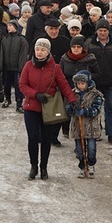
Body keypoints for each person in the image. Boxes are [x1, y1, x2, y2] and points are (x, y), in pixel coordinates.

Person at [19, 38, 77, 180]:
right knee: (33, 138)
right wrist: (35, 94)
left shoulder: (55, 68)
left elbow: (64, 85)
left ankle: (44, 167)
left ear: (48, 52)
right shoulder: (28, 65)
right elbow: (22, 84)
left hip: (49, 109)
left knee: (46, 139)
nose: (39, 52)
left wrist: (72, 99)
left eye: (43, 50)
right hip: (31, 107)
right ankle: (33, 166)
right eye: (38, 49)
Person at [85, 19, 112, 144]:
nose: (102, 33)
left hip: (111, 82)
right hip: (94, 83)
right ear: (96, 31)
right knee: (94, 108)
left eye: (105, 30)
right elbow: (84, 61)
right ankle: (96, 132)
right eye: (100, 30)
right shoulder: (89, 44)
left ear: (108, 31)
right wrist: (89, 76)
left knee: (111, 108)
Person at [65, 70, 104, 178]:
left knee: (91, 149)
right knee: (79, 149)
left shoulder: (96, 95)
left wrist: (85, 111)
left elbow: (97, 109)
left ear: (88, 83)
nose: (80, 86)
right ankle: (83, 166)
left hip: (91, 127)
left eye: (83, 83)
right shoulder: (72, 94)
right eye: (78, 84)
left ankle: (91, 164)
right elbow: (67, 107)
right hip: (78, 127)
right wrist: (72, 109)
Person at [0, 21, 29, 110]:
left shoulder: (21, 40)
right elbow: (1, 54)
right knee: (6, 85)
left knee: (18, 87)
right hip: (7, 68)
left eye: (10, 26)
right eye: (7, 26)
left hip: (17, 68)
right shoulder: (5, 39)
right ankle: (7, 99)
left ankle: (19, 104)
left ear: (15, 27)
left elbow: (23, 55)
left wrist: (21, 68)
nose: (8, 28)